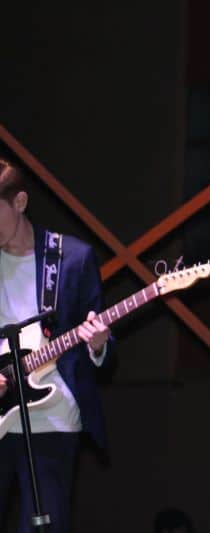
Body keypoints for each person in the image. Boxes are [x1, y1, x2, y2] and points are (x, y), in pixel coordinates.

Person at [0, 158, 112, 532]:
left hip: (52, 413)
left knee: (44, 526)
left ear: (20, 202)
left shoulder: (71, 257)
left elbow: (98, 332)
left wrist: (98, 344)